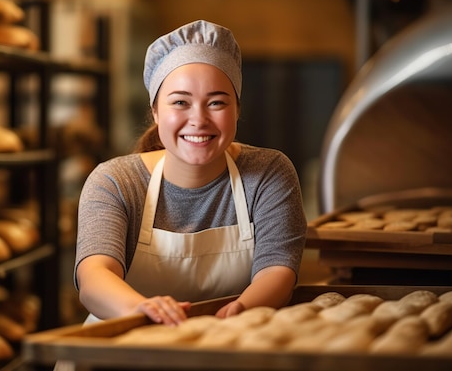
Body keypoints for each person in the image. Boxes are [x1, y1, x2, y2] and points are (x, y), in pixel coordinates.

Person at [74, 19, 307, 326]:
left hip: (230, 342)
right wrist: (144, 311)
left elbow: (278, 269)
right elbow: (93, 276)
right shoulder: (116, 181)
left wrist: (242, 310)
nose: (198, 119)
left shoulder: (268, 173)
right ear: (156, 111)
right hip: (123, 352)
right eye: (180, 102)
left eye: (216, 102)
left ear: (237, 109)